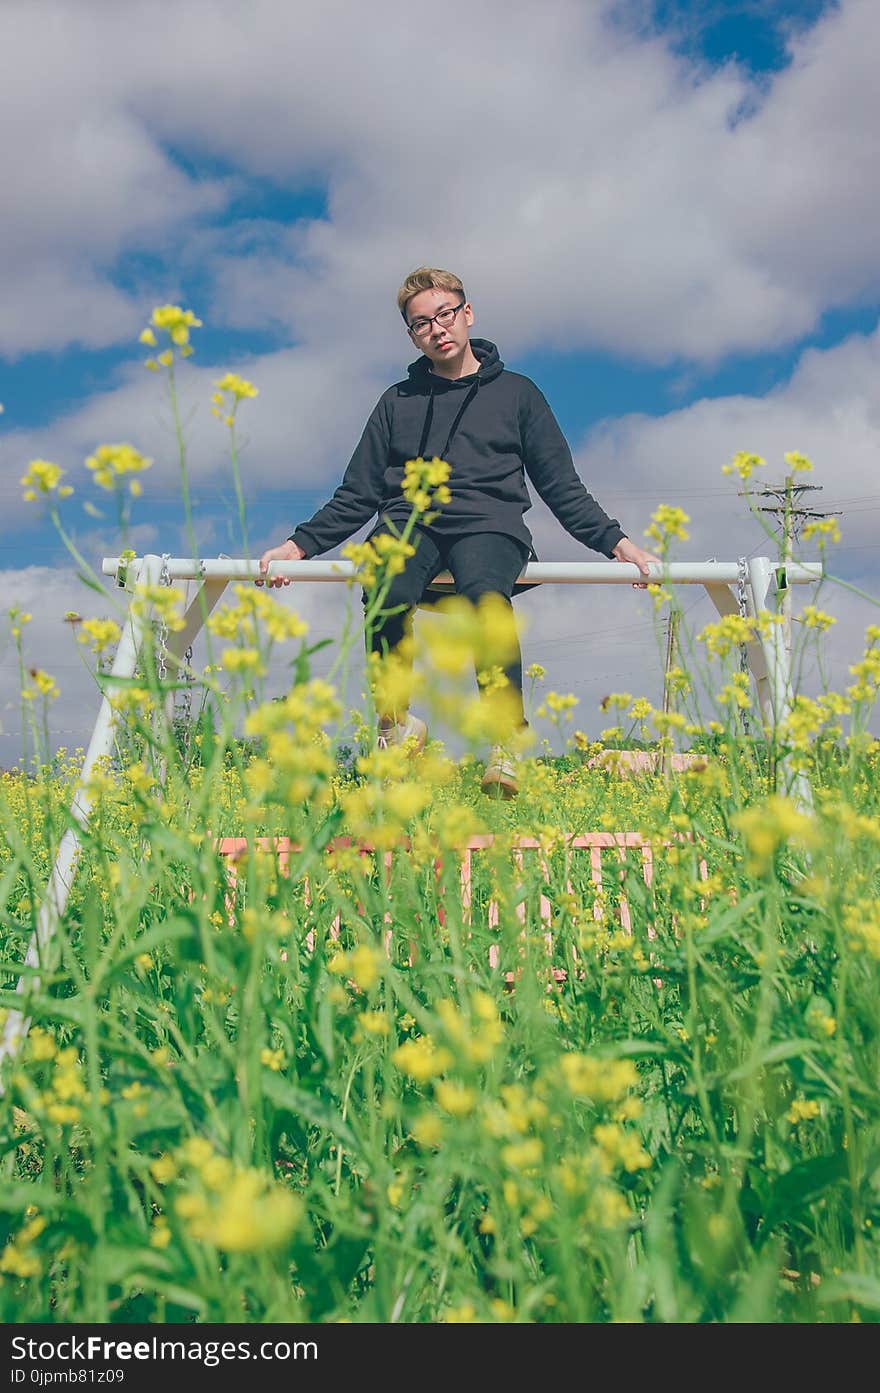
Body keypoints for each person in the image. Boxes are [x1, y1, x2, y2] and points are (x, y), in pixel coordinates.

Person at [258, 266, 657, 797]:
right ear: (411, 335)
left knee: (486, 595)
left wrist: (618, 544)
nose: (437, 329)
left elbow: (560, 485)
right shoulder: (397, 401)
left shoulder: (518, 394)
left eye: (445, 315)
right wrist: (297, 546)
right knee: (384, 581)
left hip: (489, 521)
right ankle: (395, 725)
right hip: (409, 521)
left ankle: (505, 739)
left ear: (466, 314)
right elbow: (358, 492)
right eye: (422, 324)